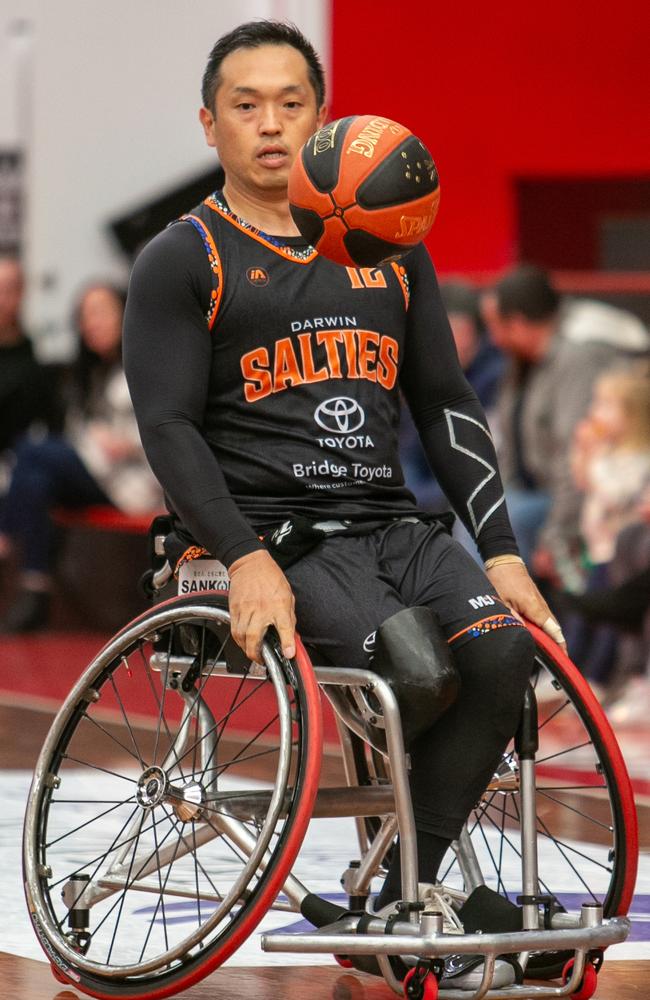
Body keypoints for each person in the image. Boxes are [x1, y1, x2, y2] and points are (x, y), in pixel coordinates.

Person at [123, 20, 564, 937]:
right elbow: (165, 426)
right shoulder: (185, 257)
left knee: (501, 654)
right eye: (247, 106)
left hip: (392, 526)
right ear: (210, 125)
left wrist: (505, 553)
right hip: (270, 534)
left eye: (292, 103)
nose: (271, 125)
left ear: (321, 118)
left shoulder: (390, 248)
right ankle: (410, 892)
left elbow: (446, 404)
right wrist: (240, 553)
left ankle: (402, 888)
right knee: (414, 668)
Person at [0, 282, 162, 632]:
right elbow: (79, 431)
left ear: (124, 314)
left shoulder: (148, 363)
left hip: (132, 483)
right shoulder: (86, 373)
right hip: (96, 470)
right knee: (37, 480)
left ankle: (5, 540)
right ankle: (34, 586)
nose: (92, 322)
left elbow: (167, 426)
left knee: (30, 449)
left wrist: (124, 440)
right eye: (85, 315)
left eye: (101, 312)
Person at [481, 265, 649, 577]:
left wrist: (556, 535)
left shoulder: (578, 355)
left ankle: (492, 617)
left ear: (517, 323)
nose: (492, 339)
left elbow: (572, 457)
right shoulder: (520, 363)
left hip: (583, 500)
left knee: (510, 517)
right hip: (543, 493)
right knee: (484, 511)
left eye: (495, 326)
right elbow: (507, 447)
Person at [399, 279, 505, 510]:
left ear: (475, 331)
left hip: (474, 476)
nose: (452, 341)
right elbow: (410, 450)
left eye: (460, 330)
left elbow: (482, 453)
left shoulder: (496, 374)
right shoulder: (424, 368)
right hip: (426, 469)